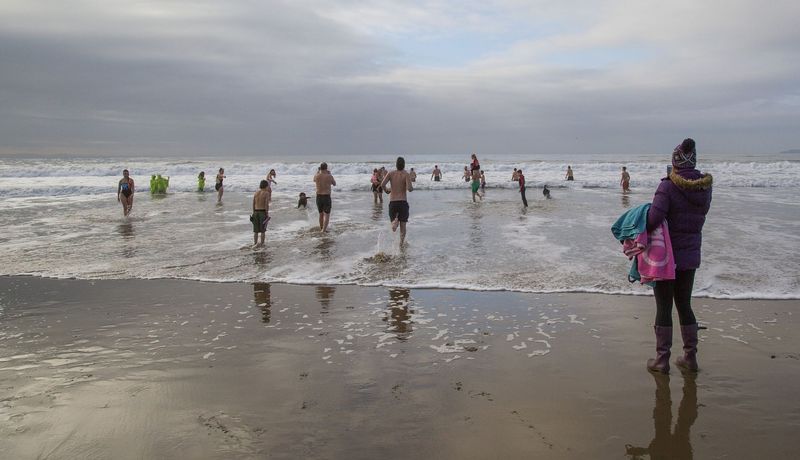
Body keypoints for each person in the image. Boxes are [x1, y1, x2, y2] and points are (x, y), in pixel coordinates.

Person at [645, 138, 713, 374]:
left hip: (666, 257)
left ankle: (662, 360)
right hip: (691, 255)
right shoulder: (704, 187)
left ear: (674, 162)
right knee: (684, 304)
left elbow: (653, 219)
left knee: (664, 306)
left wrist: (640, 216)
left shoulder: (667, 186)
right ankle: (690, 358)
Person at [380, 156, 413, 245]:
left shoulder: (391, 173)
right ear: (404, 165)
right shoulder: (405, 174)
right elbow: (409, 188)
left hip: (393, 203)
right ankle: (401, 243)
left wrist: (387, 191)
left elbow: (382, 184)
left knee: (393, 222)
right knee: (403, 226)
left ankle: (394, 223)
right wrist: (410, 187)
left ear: (396, 164)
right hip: (402, 202)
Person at [313, 162, 336, 232]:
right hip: (326, 197)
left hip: (318, 197)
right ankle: (323, 231)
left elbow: (314, 180)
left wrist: (318, 172)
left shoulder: (316, 176)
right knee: (327, 215)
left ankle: (321, 228)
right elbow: (334, 184)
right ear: (326, 168)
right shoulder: (329, 176)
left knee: (321, 214)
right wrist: (330, 174)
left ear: (320, 168)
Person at [251, 179, 271, 248]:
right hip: (262, 212)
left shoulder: (256, 193)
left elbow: (253, 203)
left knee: (256, 231)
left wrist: (253, 212)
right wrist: (267, 213)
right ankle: (262, 244)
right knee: (263, 231)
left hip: (255, 212)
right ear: (266, 186)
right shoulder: (266, 193)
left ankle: (255, 243)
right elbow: (266, 204)